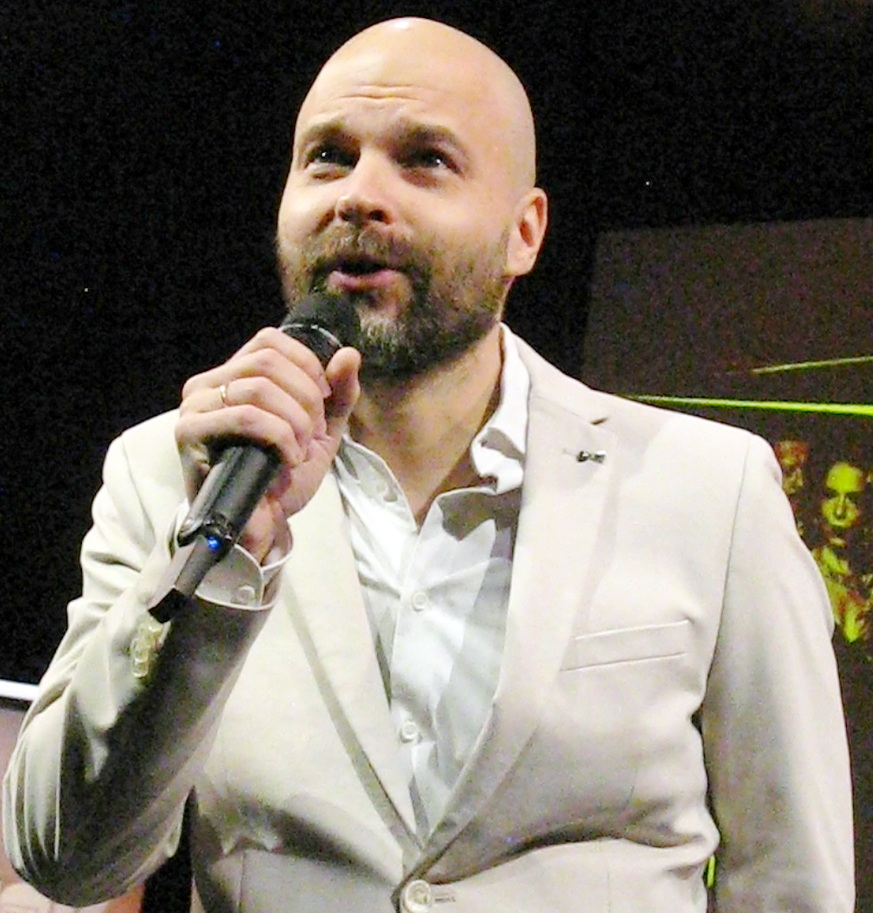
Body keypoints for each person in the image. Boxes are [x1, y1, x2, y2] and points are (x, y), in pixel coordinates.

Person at [2, 17, 854, 913]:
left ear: (523, 233)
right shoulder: (169, 471)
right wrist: (222, 559)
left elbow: (791, 880)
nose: (358, 196)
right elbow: (66, 858)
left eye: (425, 160)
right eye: (327, 158)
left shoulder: (710, 488)